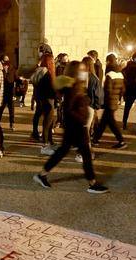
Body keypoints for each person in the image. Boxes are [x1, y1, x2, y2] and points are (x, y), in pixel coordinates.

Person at [33, 61, 108, 194]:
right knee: (84, 153)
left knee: (67, 152)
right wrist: (83, 120)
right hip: (77, 126)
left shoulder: (76, 85)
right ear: (76, 72)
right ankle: (92, 183)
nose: (85, 73)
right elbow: (69, 109)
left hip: (75, 125)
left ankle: (42, 174)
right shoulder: (73, 86)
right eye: (83, 70)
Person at [92, 62, 126, 149]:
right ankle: (95, 139)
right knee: (103, 122)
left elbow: (107, 90)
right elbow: (123, 89)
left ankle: (121, 141)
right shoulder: (120, 75)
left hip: (109, 102)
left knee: (112, 123)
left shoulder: (109, 76)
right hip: (114, 101)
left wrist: (103, 102)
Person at [34, 54, 57, 155]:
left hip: (44, 100)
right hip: (47, 100)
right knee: (47, 123)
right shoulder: (46, 73)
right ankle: (44, 145)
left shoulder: (40, 71)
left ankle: (49, 143)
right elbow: (49, 89)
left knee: (49, 122)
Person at [0, 56, 18, 131]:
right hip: (2, 92)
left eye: (7, 60)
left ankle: (12, 123)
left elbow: (16, 78)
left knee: (11, 109)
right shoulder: (0, 69)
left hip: (10, 92)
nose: (5, 62)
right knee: (0, 109)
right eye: (4, 60)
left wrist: (21, 81)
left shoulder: (12, 69)